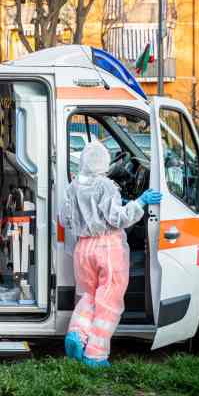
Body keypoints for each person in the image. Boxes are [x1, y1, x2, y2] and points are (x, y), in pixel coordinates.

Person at [59, 139, 162, 368]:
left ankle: (77, 333)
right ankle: (95, 354)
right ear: (104, 163)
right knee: (108, 302)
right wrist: (139, 202)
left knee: (88, 296)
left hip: (82, 248)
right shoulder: (106, 185)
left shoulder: (73, 186)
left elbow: (65, 218)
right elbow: (119, 219)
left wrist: (110, 207)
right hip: (107, 248)